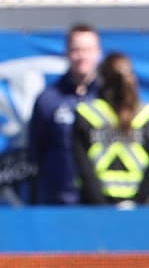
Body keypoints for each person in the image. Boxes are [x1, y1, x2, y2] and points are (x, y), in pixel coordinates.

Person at [71, 52, 149, 207]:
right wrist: (137, 202)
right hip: (140, 207)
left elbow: (83, 167)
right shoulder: (148, 114)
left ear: (101, 78)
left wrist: (102, 205)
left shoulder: (86, 113)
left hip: (95, 208)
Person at [27, 23, 102, 205]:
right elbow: (36, 151)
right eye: (76, 50)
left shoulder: (109, 97)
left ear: (98, 53)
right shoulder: (48, 99)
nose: (82, 56)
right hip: (60, 200)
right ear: (67, 52)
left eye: (87, 50)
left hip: (103, 201)